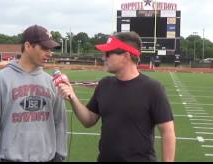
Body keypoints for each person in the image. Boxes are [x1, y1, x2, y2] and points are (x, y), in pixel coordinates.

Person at [57, 31, 175, 162]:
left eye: (108, 54)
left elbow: (168, 132)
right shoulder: (104, 84)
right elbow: (88, 120)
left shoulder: (153, 88)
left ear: (125, 56)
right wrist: (72, 97)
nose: (103, 58)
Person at [0, 25, 68, 162]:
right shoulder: (1, 80)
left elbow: (60, 121)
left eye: (50, 49)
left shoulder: (51, 82)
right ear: (28, 46)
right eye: (44, 48)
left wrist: (59, 155)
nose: (49, 53)